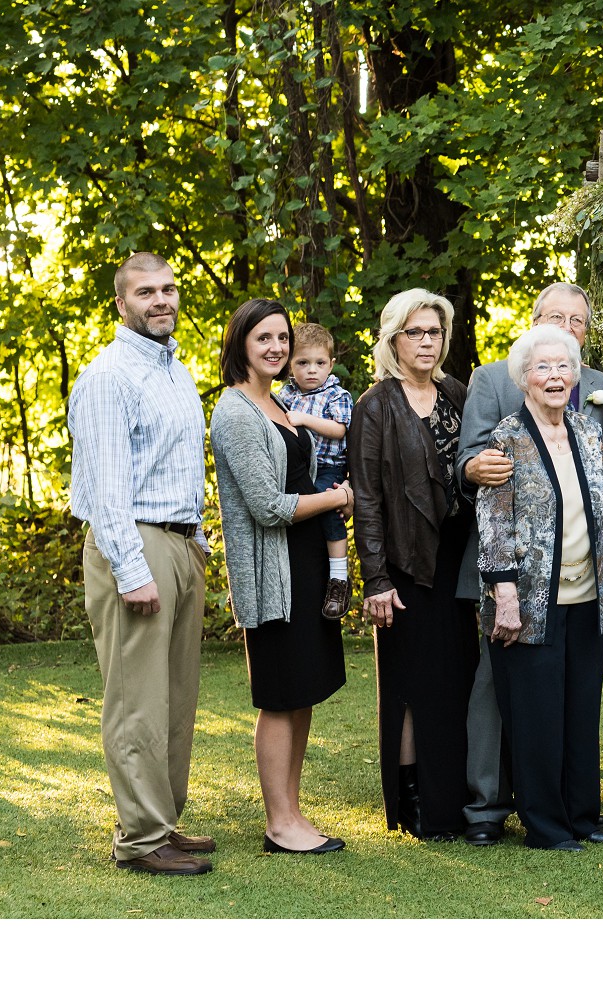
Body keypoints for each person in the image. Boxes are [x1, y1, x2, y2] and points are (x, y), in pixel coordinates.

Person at [457, 283, 603, 846]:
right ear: (524, 375)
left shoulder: (586, 431)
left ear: (576, 377)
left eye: (564, 368)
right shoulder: (504, 439)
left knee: (580, 712)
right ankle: (545, 825)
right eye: (543, 367)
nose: (555, 376)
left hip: (584, 597)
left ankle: (581, 816)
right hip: (528, 603)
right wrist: (503, 594)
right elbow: (494, 525)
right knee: (536, 718)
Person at [67, 252, 215, 875]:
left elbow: (177, 467)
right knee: (136, 699)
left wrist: (197, 542)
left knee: (175, 699)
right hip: (137, 543)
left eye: (169, 289)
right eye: (146, 292)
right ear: (122, 304)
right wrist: (133, 569)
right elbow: (105, 488)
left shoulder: (175, 369)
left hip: (180, 543)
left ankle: (162, 820)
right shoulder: (109, 376)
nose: (162, 300)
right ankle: (140, 839)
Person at [208, 299, 351, 854]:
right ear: (240, 343)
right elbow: (267, 506)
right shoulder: (236, 412)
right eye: (263, 337)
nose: (276, 347)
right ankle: (277, 822)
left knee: (303, 691)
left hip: (308, 563)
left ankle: (292, 813)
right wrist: (335, 497)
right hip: (273, 570)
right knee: (278, 693)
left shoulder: (282, 406)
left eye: (283, 338)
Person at [351, 288, 478, 842]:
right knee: (409, 684)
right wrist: (375, 578)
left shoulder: (458, 392)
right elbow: (367, 499)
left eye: (434, 332)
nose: (427, 342)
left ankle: (454, 798)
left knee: (455, 680)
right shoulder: (375, 405)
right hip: (403, 562)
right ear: (393, 339)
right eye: (415, 333)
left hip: (458, 558)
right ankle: (413, 799)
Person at [276, 321, 356, 620]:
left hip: (328, 467)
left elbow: (339, 430)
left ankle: (339, 578)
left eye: (320, 363)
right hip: (298, 468)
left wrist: (304, 419)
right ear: (289, 364)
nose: (312, 370)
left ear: (331, 364)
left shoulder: (337, 395)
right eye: (303, 362)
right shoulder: (285, 394)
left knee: (328, 510)